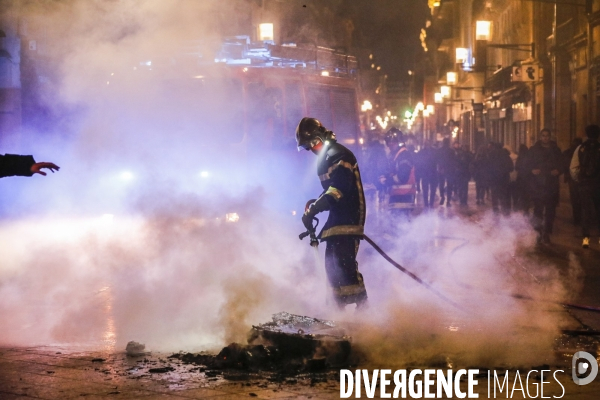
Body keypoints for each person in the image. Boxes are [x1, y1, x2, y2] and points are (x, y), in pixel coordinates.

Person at [296, 117, 368, 309]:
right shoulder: (325, 159)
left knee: (345, 266)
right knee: (332, 266)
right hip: (337, 218)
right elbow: (329, 190)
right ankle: (338, 312)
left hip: (349, 216)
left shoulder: (339, 155)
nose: (312, 148)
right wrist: (314, 207)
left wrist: (315, 209)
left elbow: (338, 190)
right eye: (307, 147)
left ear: (322, 137)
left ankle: (363, 309)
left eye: (313, 143)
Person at [528, 128, 562, 244]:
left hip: (551, 184)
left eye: (547, 136)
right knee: (538, 210)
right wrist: (532, 170)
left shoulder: (556, 150)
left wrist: (558, 170)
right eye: (543, 136)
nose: (545, 138)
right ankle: (537, 232)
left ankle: (547, 232)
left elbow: (561, 163)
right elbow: (527, 164)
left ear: (550, 136)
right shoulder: (534, 150)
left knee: (550, 210)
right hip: (537, 184)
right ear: (540, 136)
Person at [570, 125, 600, 248]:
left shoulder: (580, 148)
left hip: (584, 184)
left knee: (585, 211)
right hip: (598, 183)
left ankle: (586, 239)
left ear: (587, 134)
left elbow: (573, 168)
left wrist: (579, 180)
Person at [383, 128, 416, 215]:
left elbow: (402, 177)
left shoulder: (404, 156)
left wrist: (387, 181)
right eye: (388, 142)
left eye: (392, 142)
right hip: (398, 197)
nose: (390, 145)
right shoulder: (396, 156)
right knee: (397, 225)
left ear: (399, 142)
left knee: (400, 225)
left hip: (403, 198)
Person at [487, 142, 513, 215]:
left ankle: (495, 210)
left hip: (494, 178)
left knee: (494, 195)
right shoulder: (506, 155)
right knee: (504, 195)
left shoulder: (491, 155)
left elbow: (488, 167)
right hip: (504, 179)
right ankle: (504, 211)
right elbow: (511, 167)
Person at [563, 138, 583, 225]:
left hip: (573, 178)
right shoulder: (581, 151)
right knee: (578, 199)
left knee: (575, 199)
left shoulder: (568, 152)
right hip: (579, 178)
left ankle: (577, 219)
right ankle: (578, 218)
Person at [415, 140, 438, 209]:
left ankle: (429, 203)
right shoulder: (422, 152)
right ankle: (427, 203)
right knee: (426, 189)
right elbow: (418, 163)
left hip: (431, 172)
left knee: (431, 189)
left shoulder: (433, 152)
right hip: (426, 173)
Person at [437, 137, 456, 207]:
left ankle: (442, 196)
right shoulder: (452, 151)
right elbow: (454, 161)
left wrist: (440, 167)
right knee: (449, 186)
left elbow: (438, 160)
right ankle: (448, 200)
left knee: (441, 184)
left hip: (442, 169)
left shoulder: (439, 150)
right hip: (449, 170)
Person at [515, 144, 530, 213]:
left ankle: (523, 207)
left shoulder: (520, 158)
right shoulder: (529, 157)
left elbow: (516, 167)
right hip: (528, 179)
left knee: (521, 194)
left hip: (521, 178)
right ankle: (526, 209)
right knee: (527, 194)